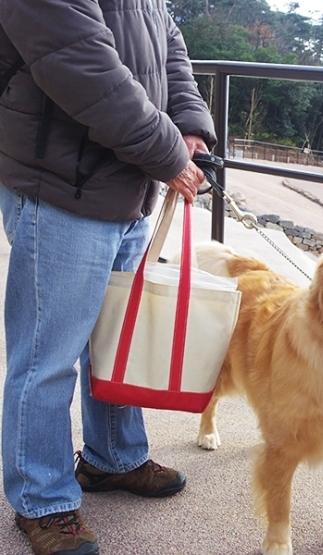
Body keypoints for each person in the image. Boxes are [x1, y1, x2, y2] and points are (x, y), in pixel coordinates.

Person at [0, 2, 216, 554]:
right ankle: (42, 499)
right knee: (47, 354)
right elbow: (76, 61)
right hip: (61, 180)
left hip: (129, 181)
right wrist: (168, 152)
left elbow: (168, 41)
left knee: (115, 340)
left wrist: (189, 125)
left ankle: (113, 457)